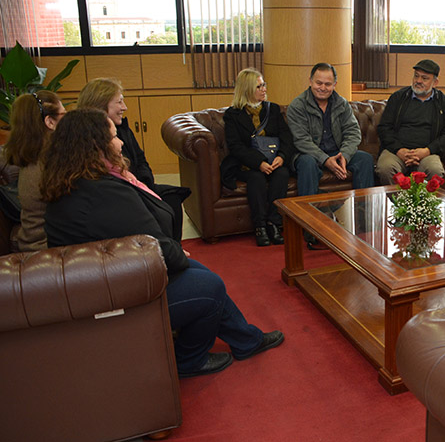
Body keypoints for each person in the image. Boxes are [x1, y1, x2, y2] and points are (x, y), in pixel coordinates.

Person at [41, 108, 284, 378]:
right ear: (94, 147)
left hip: (103, 281)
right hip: (115, 294)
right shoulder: (102, 193)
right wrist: (177, 253)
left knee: (201, 271)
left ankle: (245, 340)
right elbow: (153, 244)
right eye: (113, 137)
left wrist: (177, 254)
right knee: (210, 286)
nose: (121, 142)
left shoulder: (73, 181)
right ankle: (188, 360)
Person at [77, 78, 191, 240]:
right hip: (119, 195)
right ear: (101, 105)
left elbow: (140, 158)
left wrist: (146, 184)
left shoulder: (123, 127)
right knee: (160, 207)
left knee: (172, 199)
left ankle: (174, 249)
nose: (124, 107)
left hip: (139, 184)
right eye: (119, 102)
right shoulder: (88, 139)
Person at [286, 63, 374, 248]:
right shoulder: (297, 105)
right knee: (308, 163)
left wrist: (345, 156)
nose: (323, 88)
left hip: (338, 152)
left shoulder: (341, 103)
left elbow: (353, 132)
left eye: (328, 84)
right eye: (319, 83)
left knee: (365, 159)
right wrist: (325, 160)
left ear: (334, 84)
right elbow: (301, 140)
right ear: (310, 81)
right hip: (308, 154)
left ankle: (363, 220)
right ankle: (310, 227)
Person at [222, 68, 295, 246]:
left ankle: (274, 223)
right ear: (246, 89)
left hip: (274, 161)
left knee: (282, 174)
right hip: (246, 165)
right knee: (256, 178)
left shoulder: (273, 109)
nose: (264, 89)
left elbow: (286, 137)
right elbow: (236, 147)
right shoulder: (232, 115)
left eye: (264, 85)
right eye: (259, 86)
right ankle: (260, 226)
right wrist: (259, 162)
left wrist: (282, 156)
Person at [2, 91, 66, 252]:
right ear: (50, 122)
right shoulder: (48, 163)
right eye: (64, 114)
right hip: (46, 250)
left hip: (35, 244)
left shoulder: (34, 159)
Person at [375, 59, 445, 185]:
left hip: (427, 153)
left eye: (424, 78)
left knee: (435, 170)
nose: (418, 81)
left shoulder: (444, 103)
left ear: (435, 82)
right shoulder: (398, 98)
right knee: (385, 168)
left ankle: (422, 204)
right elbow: (384, 128)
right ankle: (397, 204)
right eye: (416, 76)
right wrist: (399, 150)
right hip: (396, 151)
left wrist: (427, 151)